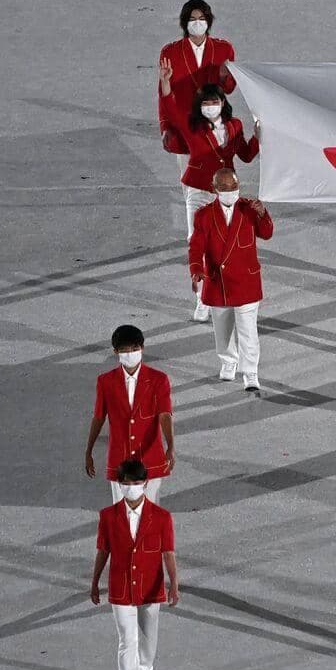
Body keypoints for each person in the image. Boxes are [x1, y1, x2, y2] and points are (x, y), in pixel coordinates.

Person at [159, 56, 259, 322]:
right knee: (199, 243)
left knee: (225, 248)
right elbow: (171, 107)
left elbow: (246, 155)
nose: (210, 107)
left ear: (222, 103)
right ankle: (202, 299)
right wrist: (165, 82)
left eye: (214, 102)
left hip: (226, 193)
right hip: (199, 192)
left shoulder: (235, 126)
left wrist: (257, 138)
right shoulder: (192, 126)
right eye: (205, 103)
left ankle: (226, 295)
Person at [89, 459, 180, 670]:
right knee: (126, 639)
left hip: (151, 586)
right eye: (126, 484)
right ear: (120, 485)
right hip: (121, 586)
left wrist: (174, 584)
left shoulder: (162, 518)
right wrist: (95, 582)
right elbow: (102, 551)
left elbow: (168, 553)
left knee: (149, 636)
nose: (132, 488)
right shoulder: (108, 517)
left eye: (136, 483)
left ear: (145, 483)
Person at [188, 168, 273, 389]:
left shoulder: (249, 209)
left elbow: (266, 233)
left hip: (246, 281)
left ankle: (251, 373)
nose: (230, 192)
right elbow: (196, 247)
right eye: (225, 188)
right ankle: (228, 362)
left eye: (234, 187)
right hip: (218, 282)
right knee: (223, 330)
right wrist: (196, 269)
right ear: (215, 189)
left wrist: (263, 213)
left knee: (248, 331)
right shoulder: (204, 215)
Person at [84, 325, 174, 503]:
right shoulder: (106, 381)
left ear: (142, 348)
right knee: (121, 512)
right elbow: (99, 417)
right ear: (116, 351)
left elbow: (165, 414)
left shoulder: (158, 379)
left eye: (135, 348)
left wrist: (170, 446)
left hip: (150, 455)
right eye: (125, 350)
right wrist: (89, 450)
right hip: (120, 458)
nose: (131, 353)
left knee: (150, 508)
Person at [157, 0, 238, 174]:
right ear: (185, 22)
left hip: (216, 122)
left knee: (220, 177)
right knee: (191, 180)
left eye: (201, 18)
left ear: (208, 21)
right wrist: (165, 127)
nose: (197, 23)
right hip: (186, 124)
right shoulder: (171, 52)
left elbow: (229, 89)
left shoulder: (224, 49)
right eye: (192, 19)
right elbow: (164, 95)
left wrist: (225, 77)